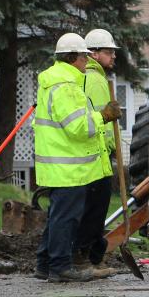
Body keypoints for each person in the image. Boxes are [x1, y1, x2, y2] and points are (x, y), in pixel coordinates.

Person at [33, 32, 122, 283]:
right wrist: (103, 116)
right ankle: (60, 266)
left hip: (59, 161)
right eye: (84, 56)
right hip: (67, 165)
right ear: (73, 58)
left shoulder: (58, 81)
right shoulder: (66, 86)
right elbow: (78, 126)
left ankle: (44, 263)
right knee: (65, 218)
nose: (86, 61)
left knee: (57, 216)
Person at [73, 28, 120, 270]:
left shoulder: (84, 77)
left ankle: (91, 255)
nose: (113, 56)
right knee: (95, 208)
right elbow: (100, 119)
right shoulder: (96, 80)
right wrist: (111, 147)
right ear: (93, 54)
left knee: (90, 208)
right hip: (97, 154)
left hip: (89, 153)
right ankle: (87, 258)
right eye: (108, 51)